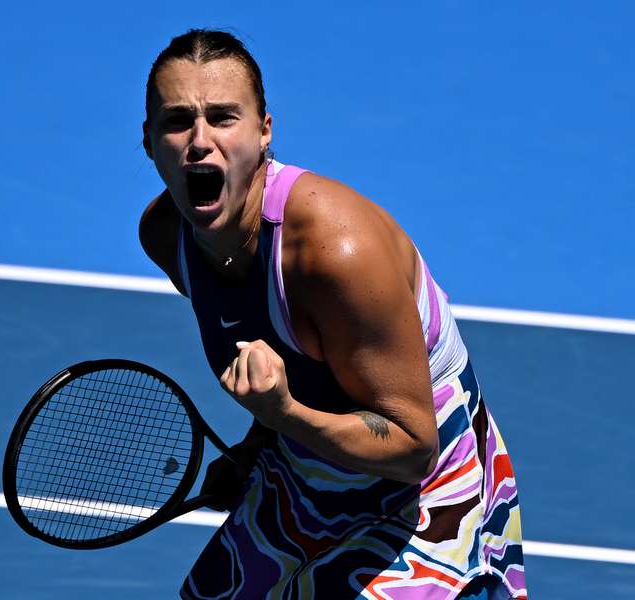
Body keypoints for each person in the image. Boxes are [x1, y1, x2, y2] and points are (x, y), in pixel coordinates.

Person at [139, 29, 526, 600]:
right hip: (308, 470)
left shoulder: (336, 252)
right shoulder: (167, 238)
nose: (200, 142)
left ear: (264, 132)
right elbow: (288, 347)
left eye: (223, 117)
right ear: (148, 142)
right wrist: (255, 447)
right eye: (177, 121)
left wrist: (283, 415)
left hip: (427, 485)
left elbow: (411, 444)